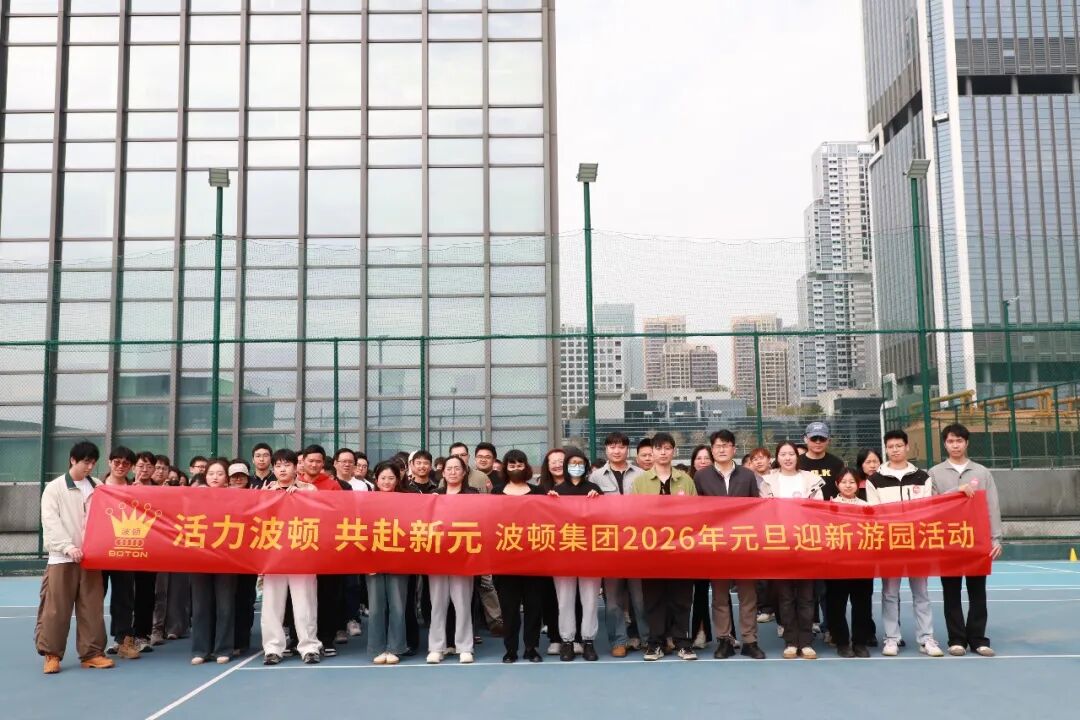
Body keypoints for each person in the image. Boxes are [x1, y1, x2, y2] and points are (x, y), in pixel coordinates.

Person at [35, 441, 114, 674]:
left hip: (92, 559)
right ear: (72, 460)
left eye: (93, 463)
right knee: (56, 609)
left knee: (92, 608)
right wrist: (67, 547)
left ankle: (92, 654)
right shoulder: (55, 488)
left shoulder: (98, 486)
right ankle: (51, 655)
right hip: (63, 559)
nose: (89, 467)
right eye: (85, 462)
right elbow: (50, 521)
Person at [866, 429, 944, 658]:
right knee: (890, 593)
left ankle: (926, 638)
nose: (895, 450)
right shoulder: (875, 480)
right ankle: (891, 638)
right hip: (890, 545)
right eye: (891, 447)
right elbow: (875, 513)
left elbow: (928, 510)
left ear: (907, 447)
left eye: (899, 446)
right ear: (886, 449)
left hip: (917, 545)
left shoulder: (922, 477)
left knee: (921, 593)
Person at [929, 423, 1003, 657]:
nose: (955, 445)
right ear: (945, 444)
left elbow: (992, 506)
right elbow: (931, 504)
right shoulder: (935, 473)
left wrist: (995, 538)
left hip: (976, 541)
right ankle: (956, 639)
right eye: (951, 441)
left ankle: (978, 639)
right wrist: (955, 491)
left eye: (959, 441)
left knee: (977, 591)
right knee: (951, 592)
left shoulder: (982, 472)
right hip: (948, 540)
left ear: (966, 443)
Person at [693, 430, 767, 659]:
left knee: (748, 596)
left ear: (734, 449)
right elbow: (695, 512)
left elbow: (757, 508)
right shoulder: (701, 477)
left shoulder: (747, 475)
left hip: (743, 544)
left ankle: (749, 640)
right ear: (712, 450)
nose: (722, 449)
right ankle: (724, 640)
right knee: (719, 596)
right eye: (717, 446)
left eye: (726, 445)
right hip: (716, 545)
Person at [630, 432, 698, 661]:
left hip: (681, 549)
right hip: (651, 550)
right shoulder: (640, 482)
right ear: (652, 451)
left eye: (667, 448)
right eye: (658, 448)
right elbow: (634, 516)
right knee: (654, 598)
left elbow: (697, 513)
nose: (663, 452)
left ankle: (682, 642)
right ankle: (655, 643)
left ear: (674, 451)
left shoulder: (685, 480)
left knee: (681, 598)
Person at [761, 441, 824, 659]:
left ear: (798, 457)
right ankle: (790, 641)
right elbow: (762, 512)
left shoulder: (811, 480)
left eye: (791, 454)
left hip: (806, 545)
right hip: (780, 545)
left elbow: (819, 511)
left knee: (806, 596)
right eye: (783, 454)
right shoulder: (767, 482)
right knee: (785, 596)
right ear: (777, 458)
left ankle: (805, 642)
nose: (787, 458)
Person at [260, 449, 320, 665]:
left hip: (301, 552)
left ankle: (309, 647)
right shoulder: (266, 491)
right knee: (271, 603)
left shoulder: (309, 489)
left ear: (296, 468)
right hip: (274, 554)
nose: (282, 469)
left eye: (287, 465)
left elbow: (319, 516)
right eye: (278, 466)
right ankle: (273, 648)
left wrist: (301, 498)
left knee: (305, 602)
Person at [589, 432, 647, 656]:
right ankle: (618, 641)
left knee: (640, 598)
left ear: (627, 449)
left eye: (621, 446)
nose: (617, 451)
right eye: (612, 447)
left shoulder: (641, 475)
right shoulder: (595, 477)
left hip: (637, 545)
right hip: (609, 547)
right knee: (613, 600)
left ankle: (646, 638)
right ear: (606, 450)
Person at [549, 448, 602, 662]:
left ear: (586, 466)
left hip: (590, 553)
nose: (576, 466)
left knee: (590, 600)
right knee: (564, 600)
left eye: (580, 463)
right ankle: (567, 641)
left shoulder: (594, 489)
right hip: (564, 552)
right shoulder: (556, 491)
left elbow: (604, 517)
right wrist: (549, 502)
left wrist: (598, 499)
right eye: (572, 463)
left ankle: (588, 641)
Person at [493, 452, 546, 663]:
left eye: (520, 464)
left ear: (526, 466)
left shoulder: (539, 491)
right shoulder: (496, 492)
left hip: (534, 559)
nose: (516, 467)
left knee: (534, 607)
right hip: (505, 560)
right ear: (505, 467)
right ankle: (511, 649)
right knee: (509, 609)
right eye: (512, 464)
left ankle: (531, 648)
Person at [426, 456, 477, 665]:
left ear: (464, 472)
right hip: (437, 556)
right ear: (443, 472)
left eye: (457, 468)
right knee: (437, 604)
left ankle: (464, 647)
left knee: (462, 603)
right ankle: (436, 647)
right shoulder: (434, 495)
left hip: (463, 556)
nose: (453, 472)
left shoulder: (472, 495)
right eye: (449, 468)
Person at [189, 459, 238, 665]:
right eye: (211, 473)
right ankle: (201, 650)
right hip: (200, 558)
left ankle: (223, 649)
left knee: (225, 606)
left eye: (219, 473)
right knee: (200, 605)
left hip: (227, 558)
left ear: (226, 478)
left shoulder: (235, 498)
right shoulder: (195, 498)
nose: (215, 477)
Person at [367, 461, 414, 665]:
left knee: (397, 605)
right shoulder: (366, 501)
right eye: (383, 478)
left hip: (399, 559)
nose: (386, 482)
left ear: (398, 480)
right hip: (372, 558)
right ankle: (377, 648)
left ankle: (396, 647)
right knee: (376, 606)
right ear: (376, 480)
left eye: (391, 478)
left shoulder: (406, 500)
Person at [825, 468, 873, 658]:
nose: (848, 485)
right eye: (844, 482)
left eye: (852, 482)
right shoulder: (828, 506)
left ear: (858, 484)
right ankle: (842, 642)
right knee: (837, 604)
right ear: (837, 484)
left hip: (862, 562)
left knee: (862, 603)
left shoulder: (867, 507)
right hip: (837, 563)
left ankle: (860, 642)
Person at [99, 447, 140, 660]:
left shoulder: (136, 490)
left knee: (124, 597)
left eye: (126, 463)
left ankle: (124, 640)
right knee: (94, 598)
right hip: (99, 551)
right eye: (117, 462)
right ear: (109, 462)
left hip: (126, 549)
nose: (121, 466)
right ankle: (93, 644)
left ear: (131, 467)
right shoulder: (96, 487)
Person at [536, 447, 567, 654]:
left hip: (572, 547)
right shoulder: (540, 490)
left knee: (572, 597)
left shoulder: (578, 487)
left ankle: (574, 638)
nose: (557, 465)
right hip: (548, 548)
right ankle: (555, 637)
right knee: (550, 595)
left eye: (561, 461)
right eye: (552, 461)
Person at [686, 445, 716, 652]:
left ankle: (702, 633)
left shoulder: (714, 484)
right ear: (693, 461)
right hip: (686, 545)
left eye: (707, 458)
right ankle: (679, 634)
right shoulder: (685, 482)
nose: (703, 461)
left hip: (709, 543)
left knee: (704, 592)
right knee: (683, 594)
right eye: (699, 458)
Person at [130, 451, 159, 652]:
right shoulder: (125, 488)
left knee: (146, 593)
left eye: (149, 466)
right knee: (124, 594)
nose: (145, 470)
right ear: (134, 468)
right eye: (141, 466)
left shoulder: (160, 491)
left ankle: (142, 635)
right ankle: (123, 636)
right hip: (127, 548)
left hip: (151, 550)